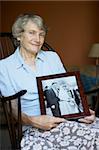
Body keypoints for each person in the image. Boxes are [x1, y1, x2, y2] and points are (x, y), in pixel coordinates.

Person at [0, 13, 99, 150]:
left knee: (95, 132)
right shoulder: (4, 67)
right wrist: (33, 121)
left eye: (41, 34)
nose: (38, 39)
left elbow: (68, 90)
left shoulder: (52, 57)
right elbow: (13, 109)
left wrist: (84, 111)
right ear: (18, 35)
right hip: (35, 127)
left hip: (66, 119)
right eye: (32, 33)